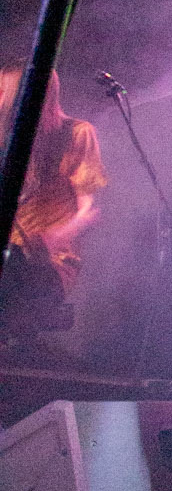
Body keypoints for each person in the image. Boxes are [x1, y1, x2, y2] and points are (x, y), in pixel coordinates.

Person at [0, 66, 107, 343]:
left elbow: (89, 213)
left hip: (49, 266)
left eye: (3, 92)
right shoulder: (10, 144)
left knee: (12, 262)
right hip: (12, 260)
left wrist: (48, 241)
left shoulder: (77, 134)